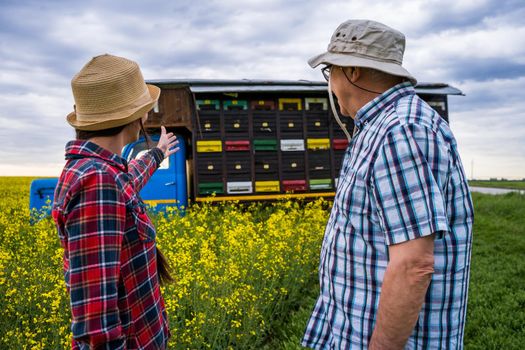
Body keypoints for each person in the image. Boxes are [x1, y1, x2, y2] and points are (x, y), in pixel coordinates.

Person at [302, 20, 474, 349]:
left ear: (352, 70)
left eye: (330, 72)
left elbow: (414, 264)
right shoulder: (384, 126)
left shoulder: (401, 130)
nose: (331, 84)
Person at [52, 54, 179, 349]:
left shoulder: (98, 172)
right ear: (136, 117)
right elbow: (96, 322)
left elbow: (127, 181)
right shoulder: (97, 182)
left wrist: (157, 153)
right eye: (145, 109)